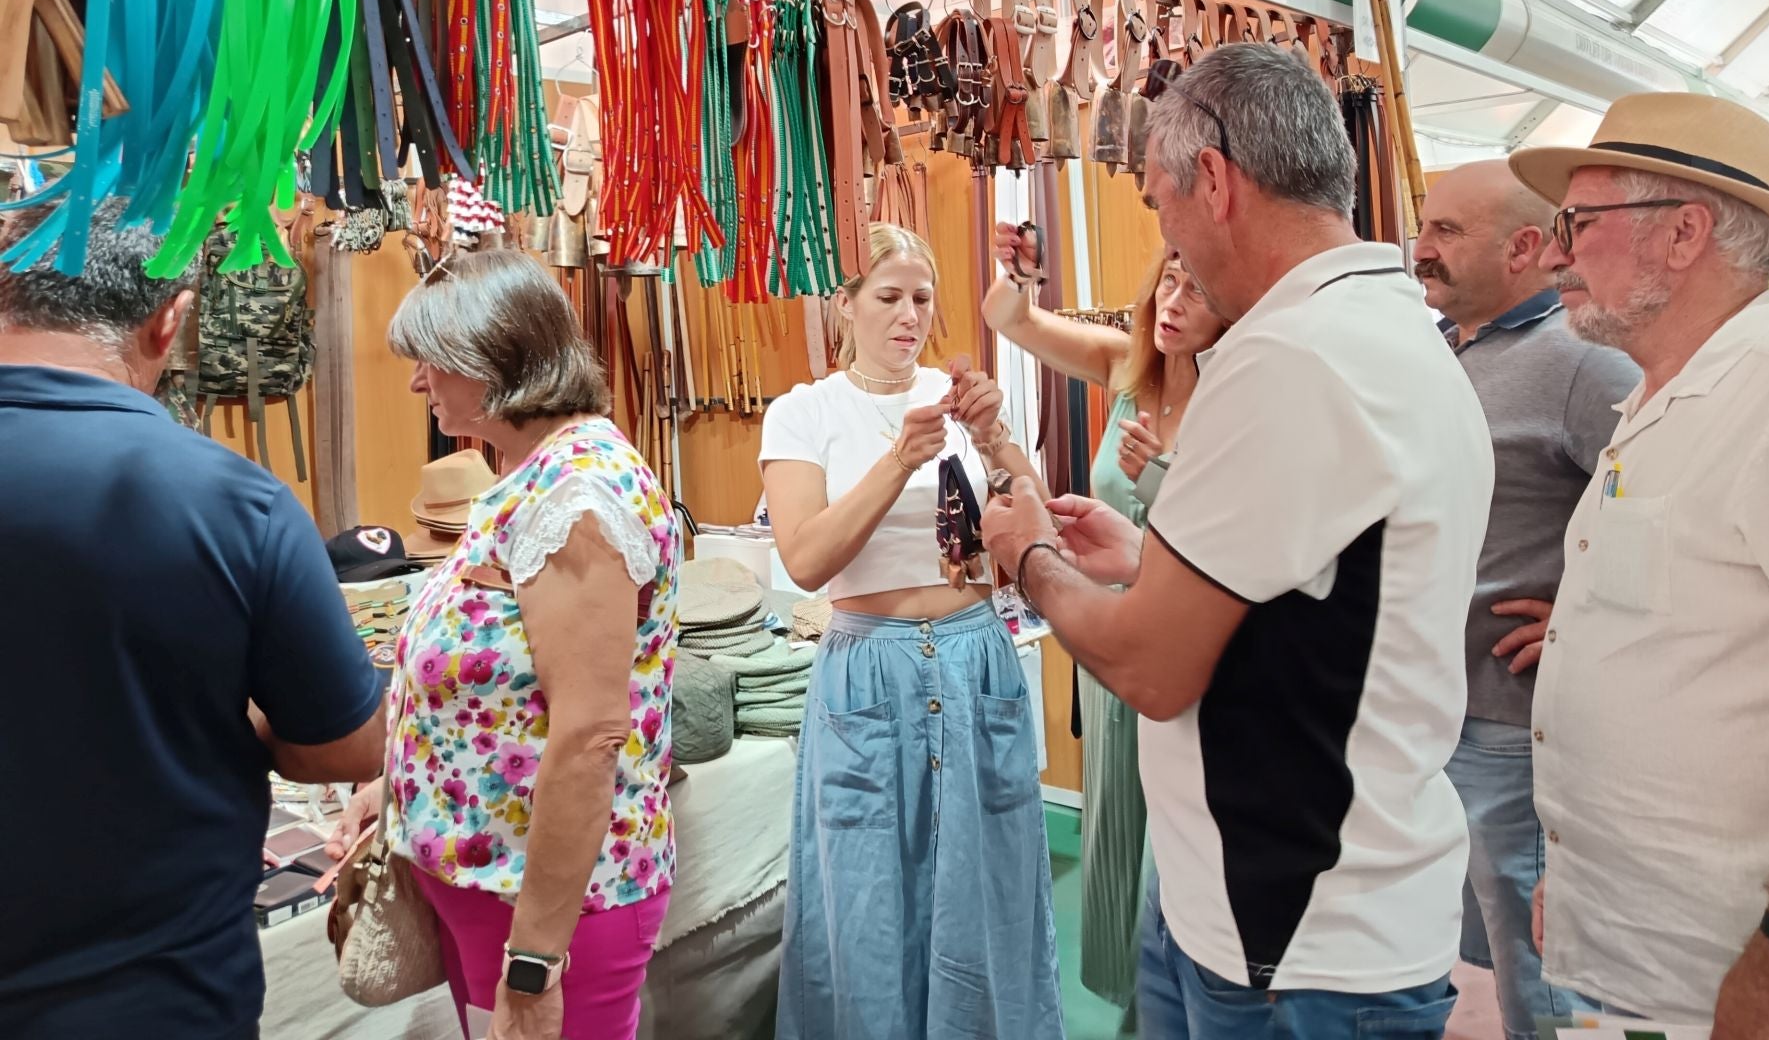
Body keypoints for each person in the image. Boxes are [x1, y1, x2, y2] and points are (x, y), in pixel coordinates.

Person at [983, 44, 1494, 1040]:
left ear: (1212, 180)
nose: (1167, 235)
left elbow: (1149, 668)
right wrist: (1145, 564)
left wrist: (1028, 553)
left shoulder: (1292, 358)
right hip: (1278, 916)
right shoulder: (1381, 331)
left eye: (1160, 203)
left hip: (1297, 942)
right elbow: (1324, 594)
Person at [1509, 92, 1769, 1038]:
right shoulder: (1665, 401)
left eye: (1578, 221)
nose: (1556, 249)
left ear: (1683, 232)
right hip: (1656, 971)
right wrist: (1580, 891)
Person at [0, 199, 387, 1040]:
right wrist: (227, 706)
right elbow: (347, 748)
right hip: (156, 995)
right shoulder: (234, 501)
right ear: (170, 321)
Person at [324, 249, 681, 1040]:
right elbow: (502, 689)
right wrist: (401, 781)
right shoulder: (525, 472)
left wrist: (533, 964)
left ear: (496, 356)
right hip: (489, 877)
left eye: (432, 361)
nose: (419, 382)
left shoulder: (577, 495)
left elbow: (589, 735)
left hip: (547, 903)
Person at [760, 222, 1064, 1039]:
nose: (908, 317)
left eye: (922, 299)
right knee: (865, 900)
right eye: (888, 297)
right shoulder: (804, 414)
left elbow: (1043, 525)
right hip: (867, 670)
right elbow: (807, 558)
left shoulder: (958, 398)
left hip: (974, 656)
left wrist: (998, 438)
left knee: (989, 886)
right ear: (846, 304)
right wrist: (898, 459)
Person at [1411, 161, 1640, 1040]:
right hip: (1439, 710)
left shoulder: (1585, 366)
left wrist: (1585, 618)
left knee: (1541, 977)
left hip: (1514, 727)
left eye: (1446, 233)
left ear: (1527, 247)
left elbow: (1664, 511)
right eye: (1425, 228)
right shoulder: (1443, 351)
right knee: (1478, 949)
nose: (1421, 250)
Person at [983, 231, 1226, 1027]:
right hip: (1106, 638)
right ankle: (1134, 999)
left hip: (1186, 646)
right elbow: (1014, 324)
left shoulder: (1239, 399)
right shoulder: (1126, 370)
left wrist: (1164, 469)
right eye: (1168, 282)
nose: (1174, 304)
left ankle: (1176, 996)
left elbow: (1228, 543)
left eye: (1196, 290)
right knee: (1117, 827)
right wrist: (1020, 280)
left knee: (1180, 831)